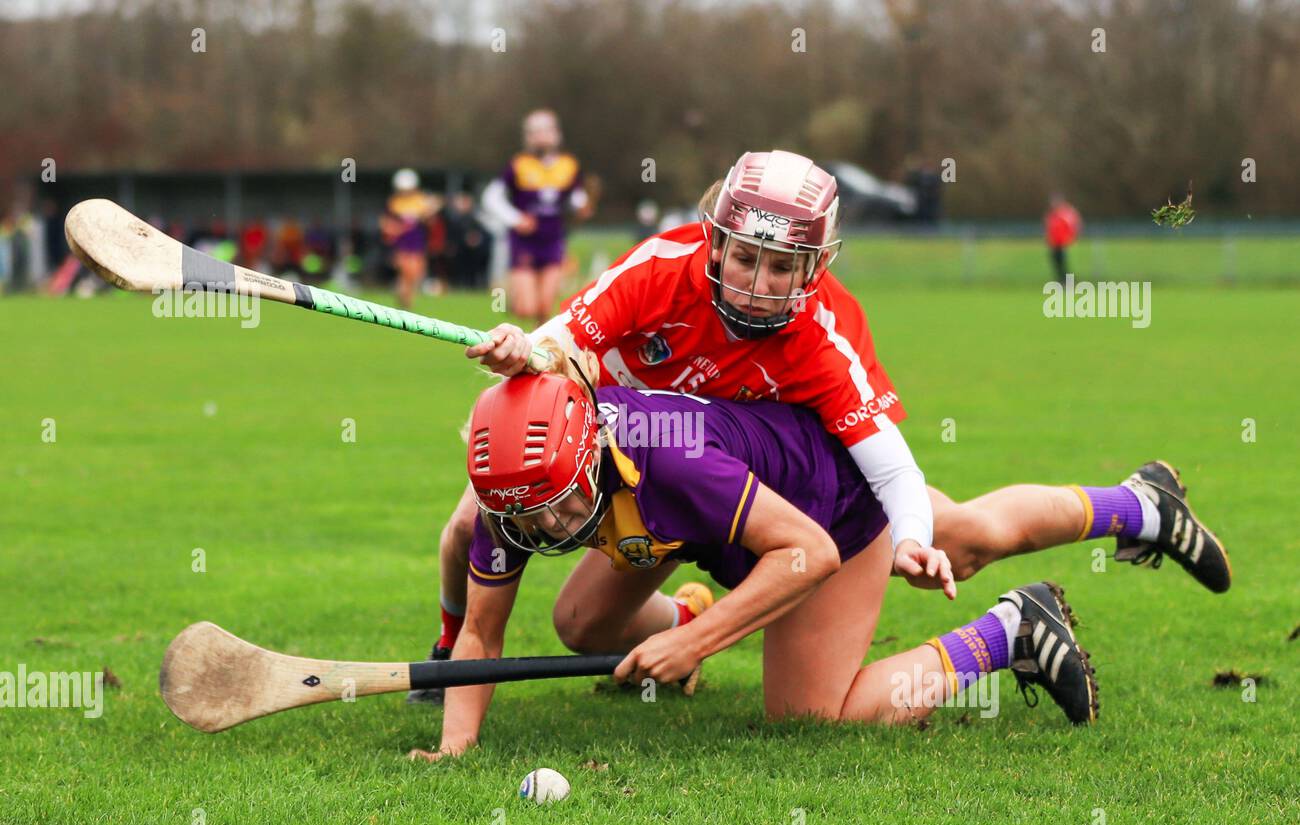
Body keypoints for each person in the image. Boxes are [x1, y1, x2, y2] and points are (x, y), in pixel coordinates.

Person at [409, 150, 1229, 702]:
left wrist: (909, 537)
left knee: (963, 537)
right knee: (575, 617)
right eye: (744, 256)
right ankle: (473, 659)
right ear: (716, 238)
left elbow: (893, 469)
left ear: (814, 266)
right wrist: (528, 347)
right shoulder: (659, 269)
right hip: (669, 476)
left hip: (803, 494)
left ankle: (1138, 512)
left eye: (782, 265)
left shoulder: (824, 332)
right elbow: (564, 343)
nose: (759, 281)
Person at [407, 368, 1098, 761]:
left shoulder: (667, 457)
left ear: (591, 453)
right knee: (582, 620)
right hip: (726, 524)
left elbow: (808, 554)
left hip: (829, 514)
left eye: (560, 507)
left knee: (813, 710)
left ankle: (1011, 631)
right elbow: (482, 637)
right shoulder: (516, 497)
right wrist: (454, 749)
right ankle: (1139, 503)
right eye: (528, 517)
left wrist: (692, 642)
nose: (546, 529)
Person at [481, 110, 593, 326]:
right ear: (528, 137)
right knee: (526, 309)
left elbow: (575, 197)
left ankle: (536, 357)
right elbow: (491, 197)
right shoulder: (519, 164)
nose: (541, 136)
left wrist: (582, 207)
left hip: (553, 240)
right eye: (535, 132)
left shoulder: (569, 165)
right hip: (524, 242)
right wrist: (515, 219)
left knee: (544, 308)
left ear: (556, 134)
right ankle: (515, 298)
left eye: (546, 131)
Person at [380, 168, 439, 309]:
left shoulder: (421, 201)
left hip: (417, 244)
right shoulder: (394, 203)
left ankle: (407, 301)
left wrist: (428, 213)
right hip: (401, 245)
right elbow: (386, 224)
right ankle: (404, 301)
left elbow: (431, 222)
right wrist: (395, 230)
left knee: (416, 274)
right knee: (405, 273)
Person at [1045, 193, 1082, 283]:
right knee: (1057, 264)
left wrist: (1071, 238)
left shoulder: (1066, 213)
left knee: (1064, 264)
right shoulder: (1053, 214)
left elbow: (1074, 226)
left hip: (1063, 243)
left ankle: (1069, 282)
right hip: (1054, 243)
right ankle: (1061, 281)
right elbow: (1049, 228)